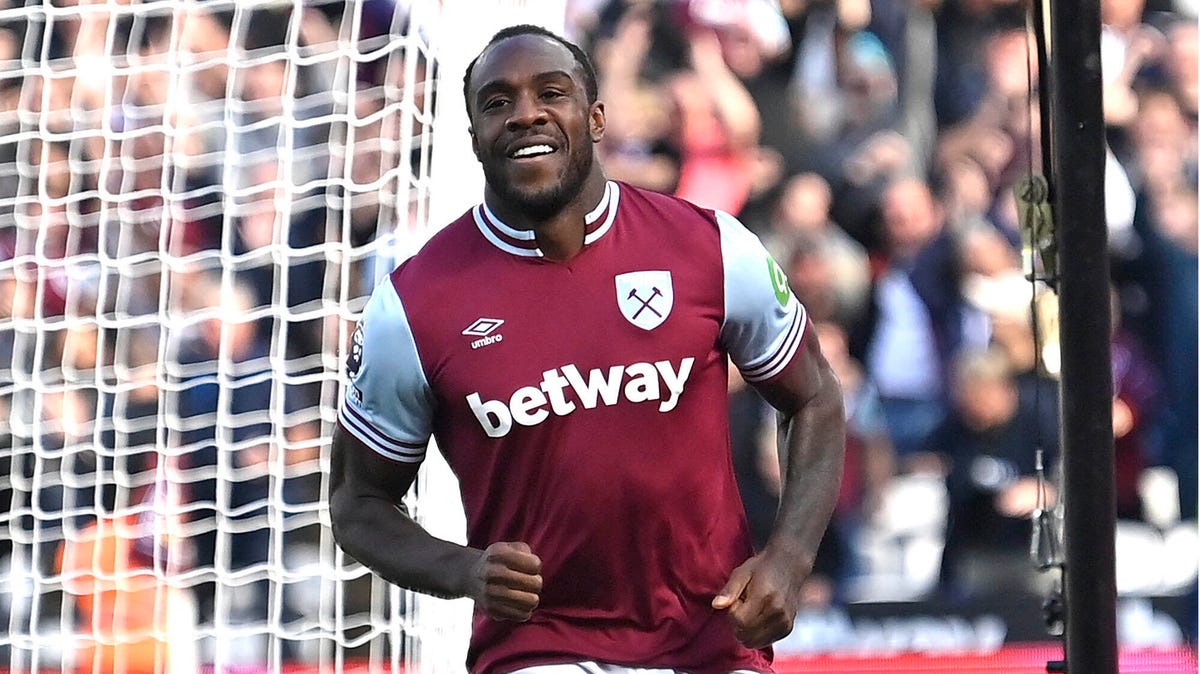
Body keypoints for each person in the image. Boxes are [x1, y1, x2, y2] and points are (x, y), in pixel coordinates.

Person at [328, 24, 845, 674]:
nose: (525, 114)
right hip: (540, 651)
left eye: (552, 92)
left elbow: (816, 395)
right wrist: (463, 570)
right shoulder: (412, 305)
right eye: (496, 102)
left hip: (711, 642)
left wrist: (790, 558)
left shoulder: (709, 247)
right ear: (473, 139)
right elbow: (358, 505)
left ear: (596, 118)